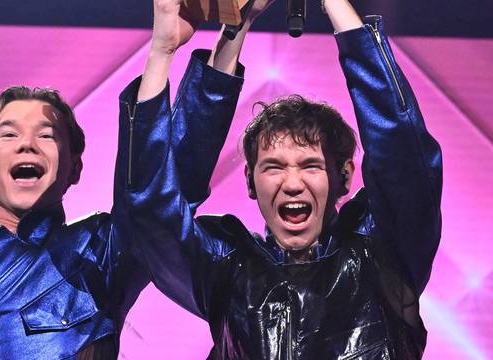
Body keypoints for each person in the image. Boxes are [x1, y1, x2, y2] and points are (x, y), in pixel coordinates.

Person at [0, 0, 277, 358]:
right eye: (9, 134)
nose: (27, 145)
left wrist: (219, 32)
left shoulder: (98, 255)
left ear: (74, 168)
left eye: (46, 135)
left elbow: (163, 189)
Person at [125, 0, 443, 358]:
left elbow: (404, 158)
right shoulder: (229, 269)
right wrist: (181, 43)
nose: (292, 183)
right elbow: (152, 212)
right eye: (273, 167)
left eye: (310, 166)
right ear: (249, 180)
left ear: (344, 177)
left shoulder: (383, 253)